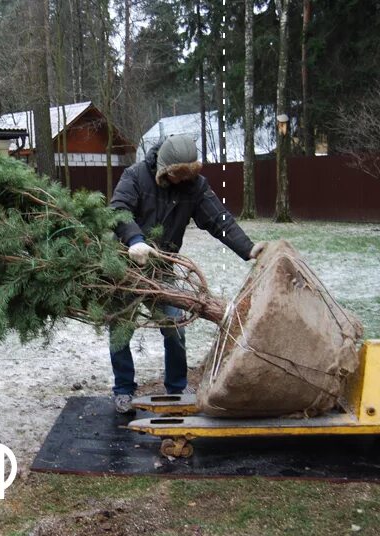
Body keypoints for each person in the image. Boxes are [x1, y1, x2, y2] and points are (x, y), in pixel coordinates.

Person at [108, 134, 266, 413]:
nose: (181, 181)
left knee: (174, 326)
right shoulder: (135, 176)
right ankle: (123, 389)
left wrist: (249, 249)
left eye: (186, 176)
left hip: (163, 268)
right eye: (175, 175)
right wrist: (135, 240)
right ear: (163, 167)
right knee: (121, 328)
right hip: (127, 266)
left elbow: (220, 220)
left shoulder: (194, 186)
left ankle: (178, 386)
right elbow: (118, 210)